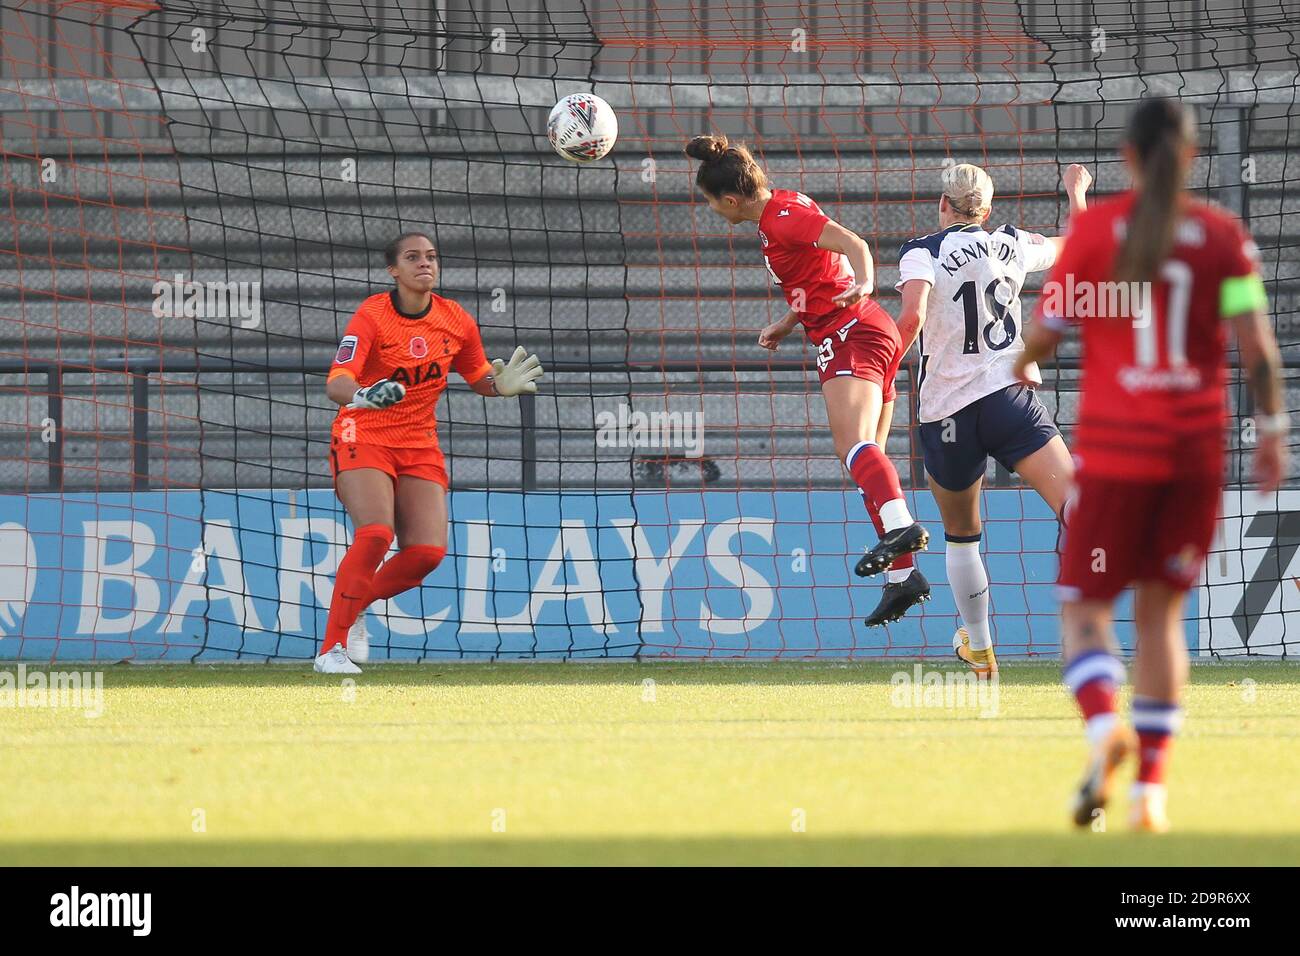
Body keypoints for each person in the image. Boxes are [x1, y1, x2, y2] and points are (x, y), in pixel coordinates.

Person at [1013, 98, 1286, 831]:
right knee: (1162, 617)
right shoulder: (1225, 239)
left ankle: (1107, 731)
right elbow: (1257, 349)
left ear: (1128, 158)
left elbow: (1045, 335)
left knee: (1084, 610)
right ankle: (1149, 799)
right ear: (1191, 156)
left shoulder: (1097, 232)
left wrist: (1018, 359)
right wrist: (1273, 432)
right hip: (1193, 457)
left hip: (1115, 455)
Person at [684, 134, 928, 625]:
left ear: (729, 200)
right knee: (868, 465)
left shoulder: (784, 218)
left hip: (852, 332)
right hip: (854, 331)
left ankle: (902, 530)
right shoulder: (781, 210)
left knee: (852, 447)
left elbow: (851, 243)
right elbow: (816, 275)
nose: (714, 211)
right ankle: (904, 579)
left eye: (712, 203)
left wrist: (864, 279)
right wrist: (789, 321)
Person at [315, 232, 545, 674]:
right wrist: (364, 394)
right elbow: (336, 382)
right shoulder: (372, 315)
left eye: (432, 257)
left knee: (427, 554)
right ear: (393, 270)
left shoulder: (456, 319)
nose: (426, 263)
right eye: (413, 257)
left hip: (419, 442)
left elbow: (479, 375)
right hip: (362, 433)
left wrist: (499, 387)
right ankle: (331, 650)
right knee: (376, 534)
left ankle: (354, 602)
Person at [894, 162, 1091, 673]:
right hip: (1009, 399)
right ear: (987, 209)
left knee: (962, 534)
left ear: (943, 205)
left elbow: (913, 317)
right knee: (1077, 509)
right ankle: (1094, 617)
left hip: (946, 414)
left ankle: (980, 648)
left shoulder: (922, 251)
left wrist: (885, 363)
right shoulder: (1011, 242)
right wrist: (1075, 192)